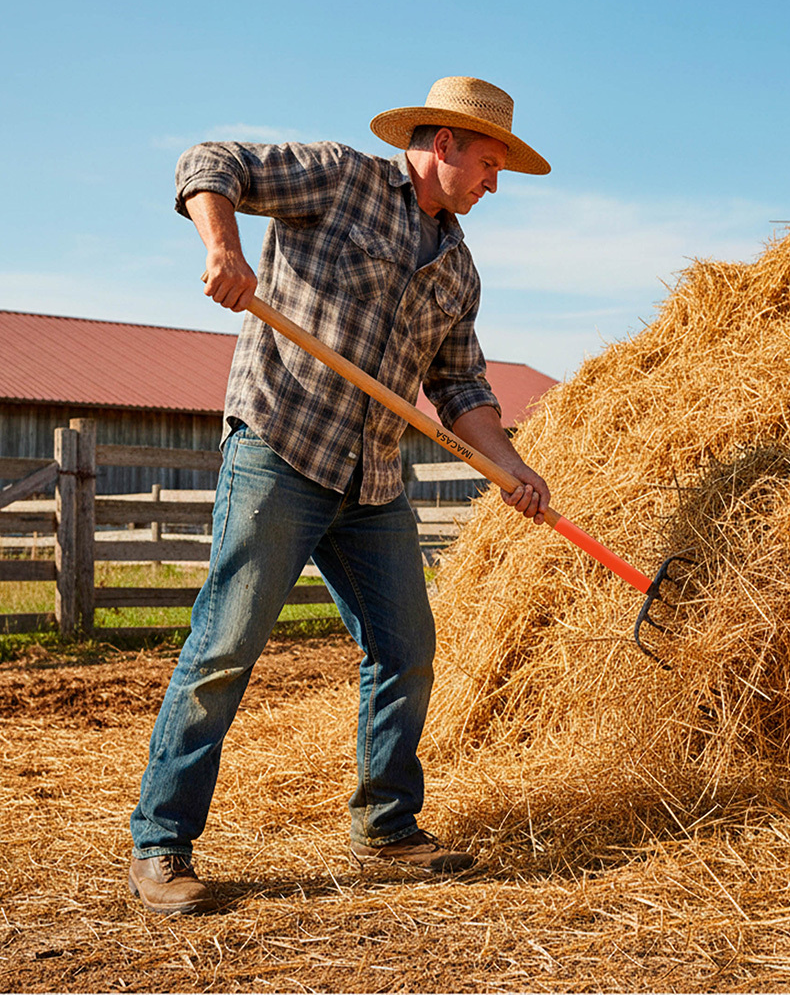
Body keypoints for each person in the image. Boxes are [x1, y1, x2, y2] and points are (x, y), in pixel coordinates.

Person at [128, 76, 552, 915]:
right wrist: (224, 248)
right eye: (490, 162)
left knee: (406, 649)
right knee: (225, 650)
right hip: (283, 445)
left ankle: (387, 829)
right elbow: (208, 162)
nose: (494, 183)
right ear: (445, 146)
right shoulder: (339, 178)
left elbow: (461, 384)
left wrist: (512, 467)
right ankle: (161, 843)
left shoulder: (458, 268)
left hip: (373, 477)